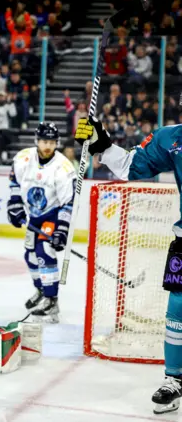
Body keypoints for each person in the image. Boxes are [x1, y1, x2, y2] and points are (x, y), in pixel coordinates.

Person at [74, 116, 182, 414]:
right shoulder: (172, 139)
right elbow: (131, 166)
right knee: (178, 307)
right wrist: (102, 145)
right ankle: (174, 379)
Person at [6, 122, 75, 323]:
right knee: (30, 257)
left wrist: (61, 229)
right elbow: (14, 184)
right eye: (44, 141)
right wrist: (15, 205)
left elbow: (68, 203)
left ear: (57, 143)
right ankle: (41, 290)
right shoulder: (22, 159)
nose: (47, 146)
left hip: (52, 214)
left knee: (44, 251)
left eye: (52, 142)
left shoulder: (63, 168)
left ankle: (52, 300)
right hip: (34, 215)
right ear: (37, 141)